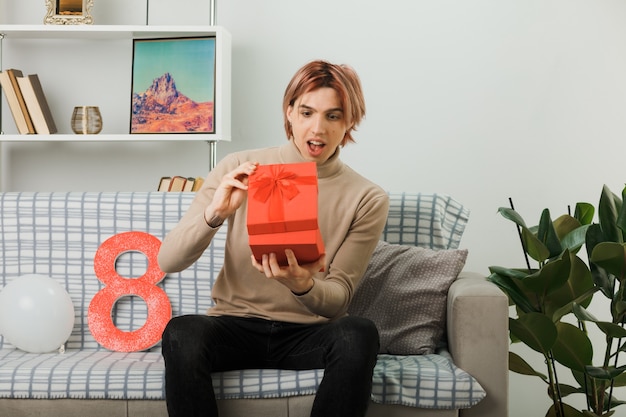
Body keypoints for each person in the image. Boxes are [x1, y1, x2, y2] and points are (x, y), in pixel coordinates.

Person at [158, 59, 390, 417]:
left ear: (349, 122)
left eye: (333, 116)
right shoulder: (239, 166)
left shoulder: (367, 197)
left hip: (308, 334)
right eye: (307, 112)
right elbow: (167, 261)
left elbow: (338, 299)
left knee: (358, 333)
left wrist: (302, 284)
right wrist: (216, 213)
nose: (318, 128)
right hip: (234, 325)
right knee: (182, 331)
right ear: (290, 112)